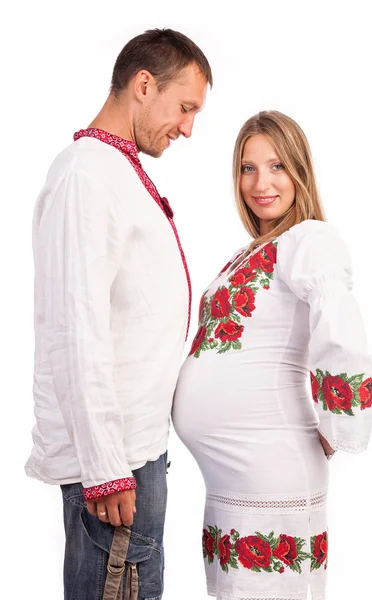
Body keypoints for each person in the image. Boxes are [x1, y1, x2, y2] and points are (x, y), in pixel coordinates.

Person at [25, 28, 212, 600]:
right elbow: (76, 327)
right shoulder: (87, 174)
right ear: (143, 83)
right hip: (116, 463)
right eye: (184, 107)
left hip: (137, 447)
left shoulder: (112, 169)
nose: (187, 128)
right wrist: (106, 466)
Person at [172, 110, 372, 600]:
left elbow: (341, 330)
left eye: (277, 166)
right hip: (235, 477)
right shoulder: (255, 249)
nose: (260, 182)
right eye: (248, 168)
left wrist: (337, 427)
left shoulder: (310, 238)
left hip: (269, 466)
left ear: (300, 171)